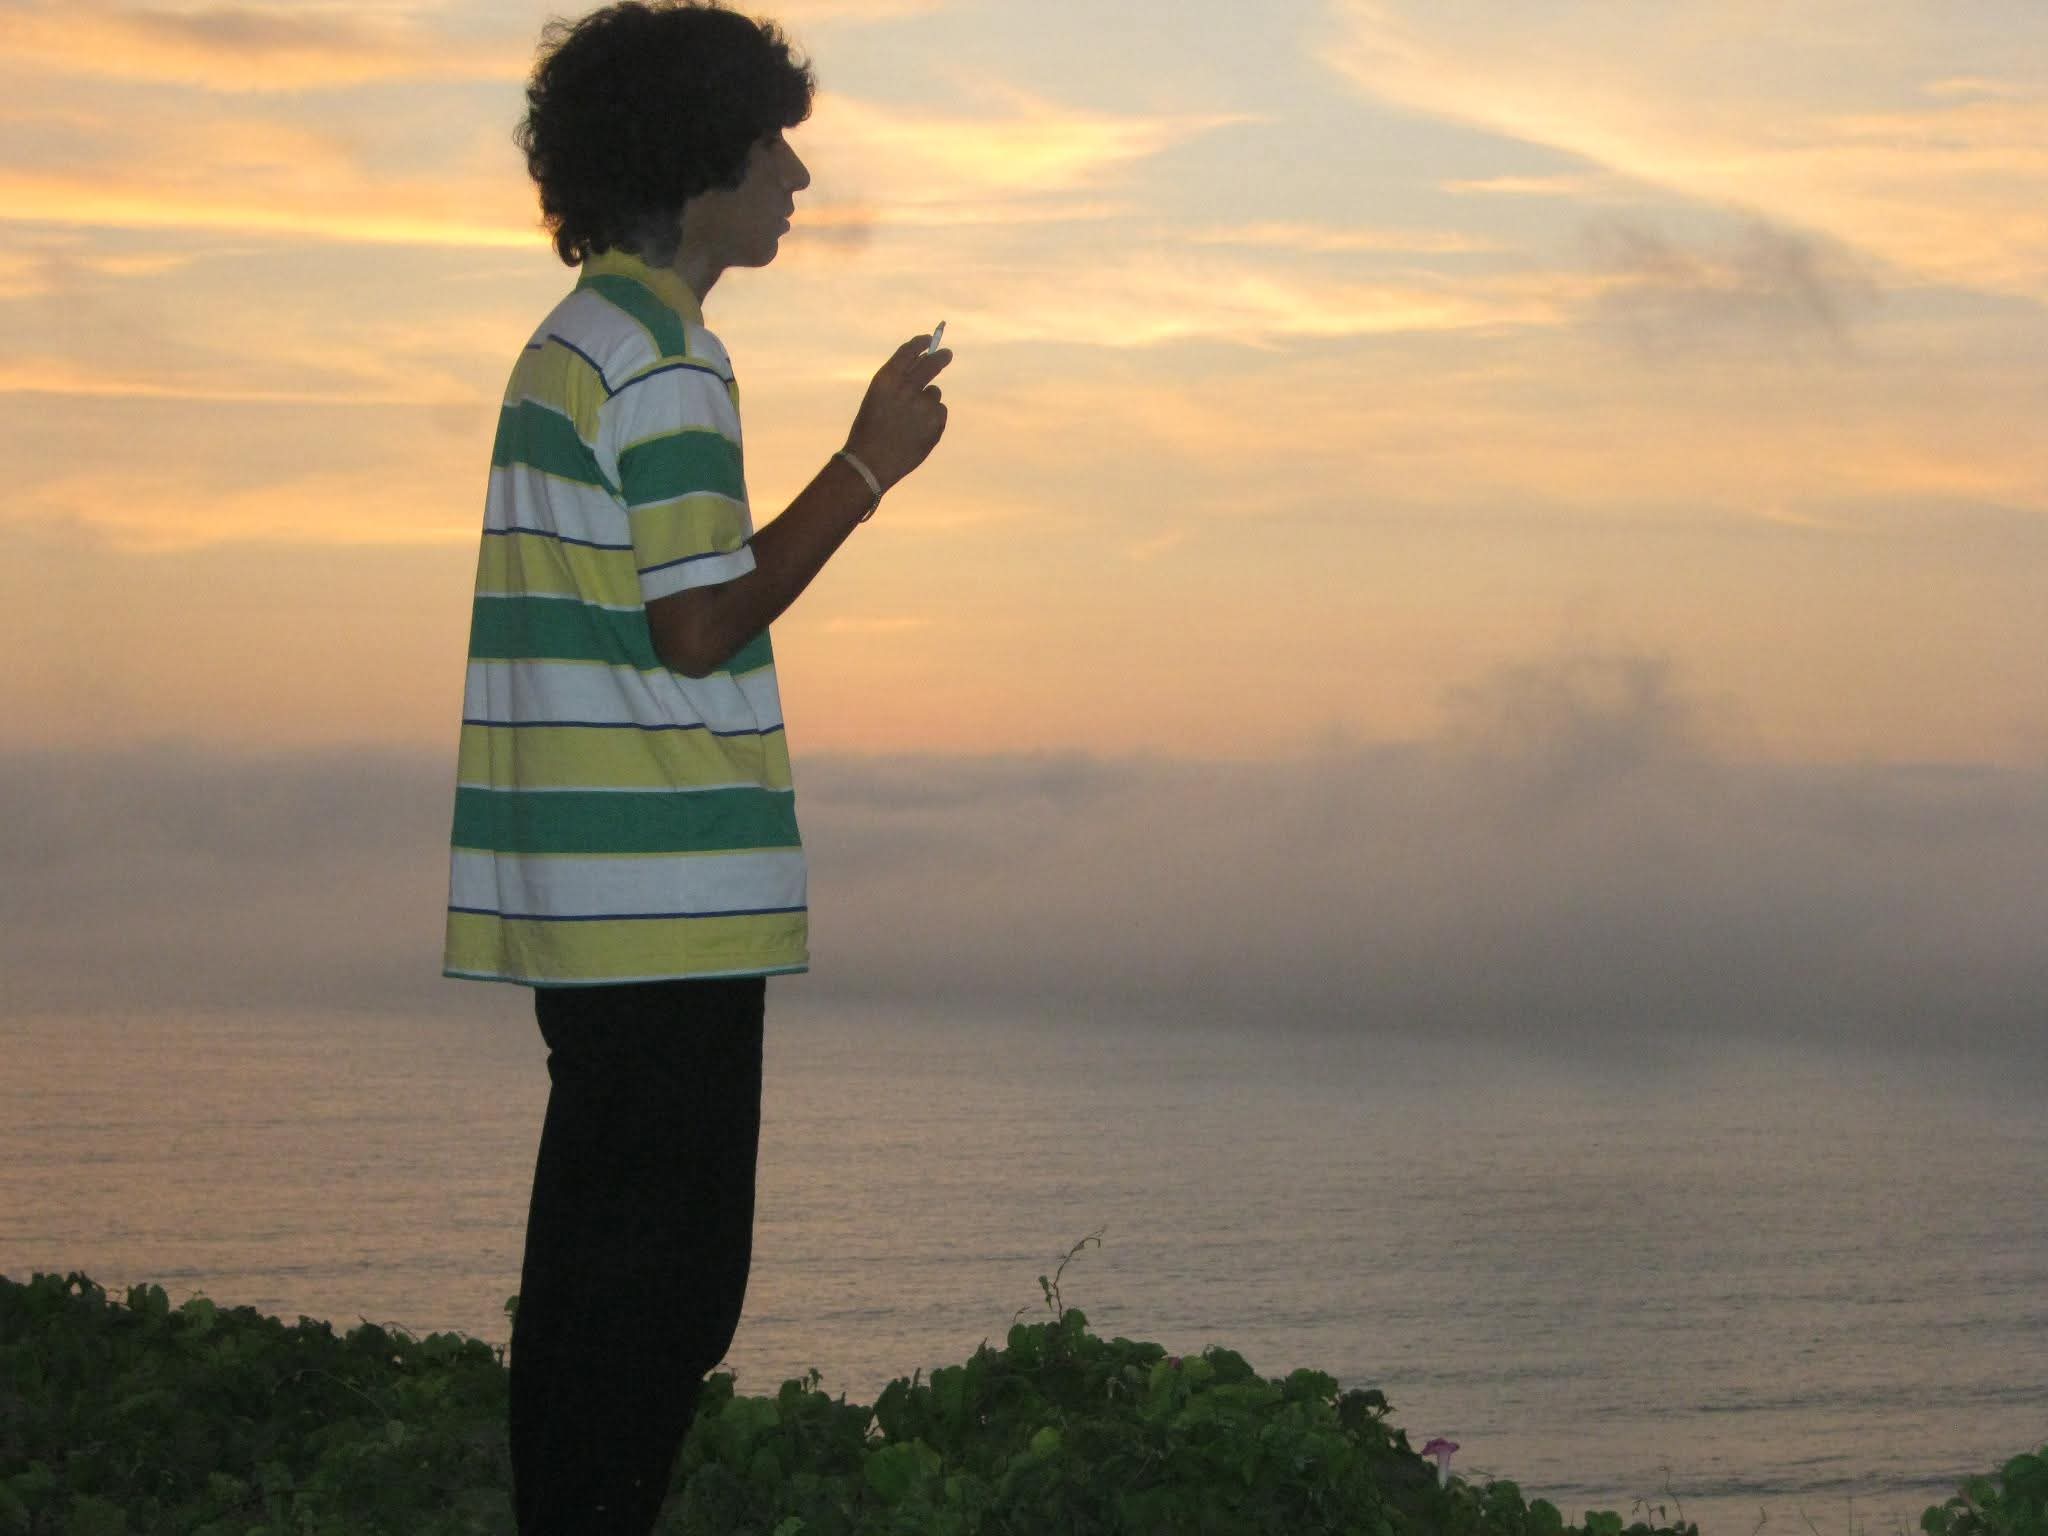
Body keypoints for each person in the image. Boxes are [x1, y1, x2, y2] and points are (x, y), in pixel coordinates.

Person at [440, 3, 952, 1530]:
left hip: (593, 908)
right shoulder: (668, 359)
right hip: (665, 906)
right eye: (771, 145)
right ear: (697, 160)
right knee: (664, 1294)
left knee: (592, 1278)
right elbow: (700, 623)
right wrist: (866, 467)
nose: (796, 176)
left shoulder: (568, 346)